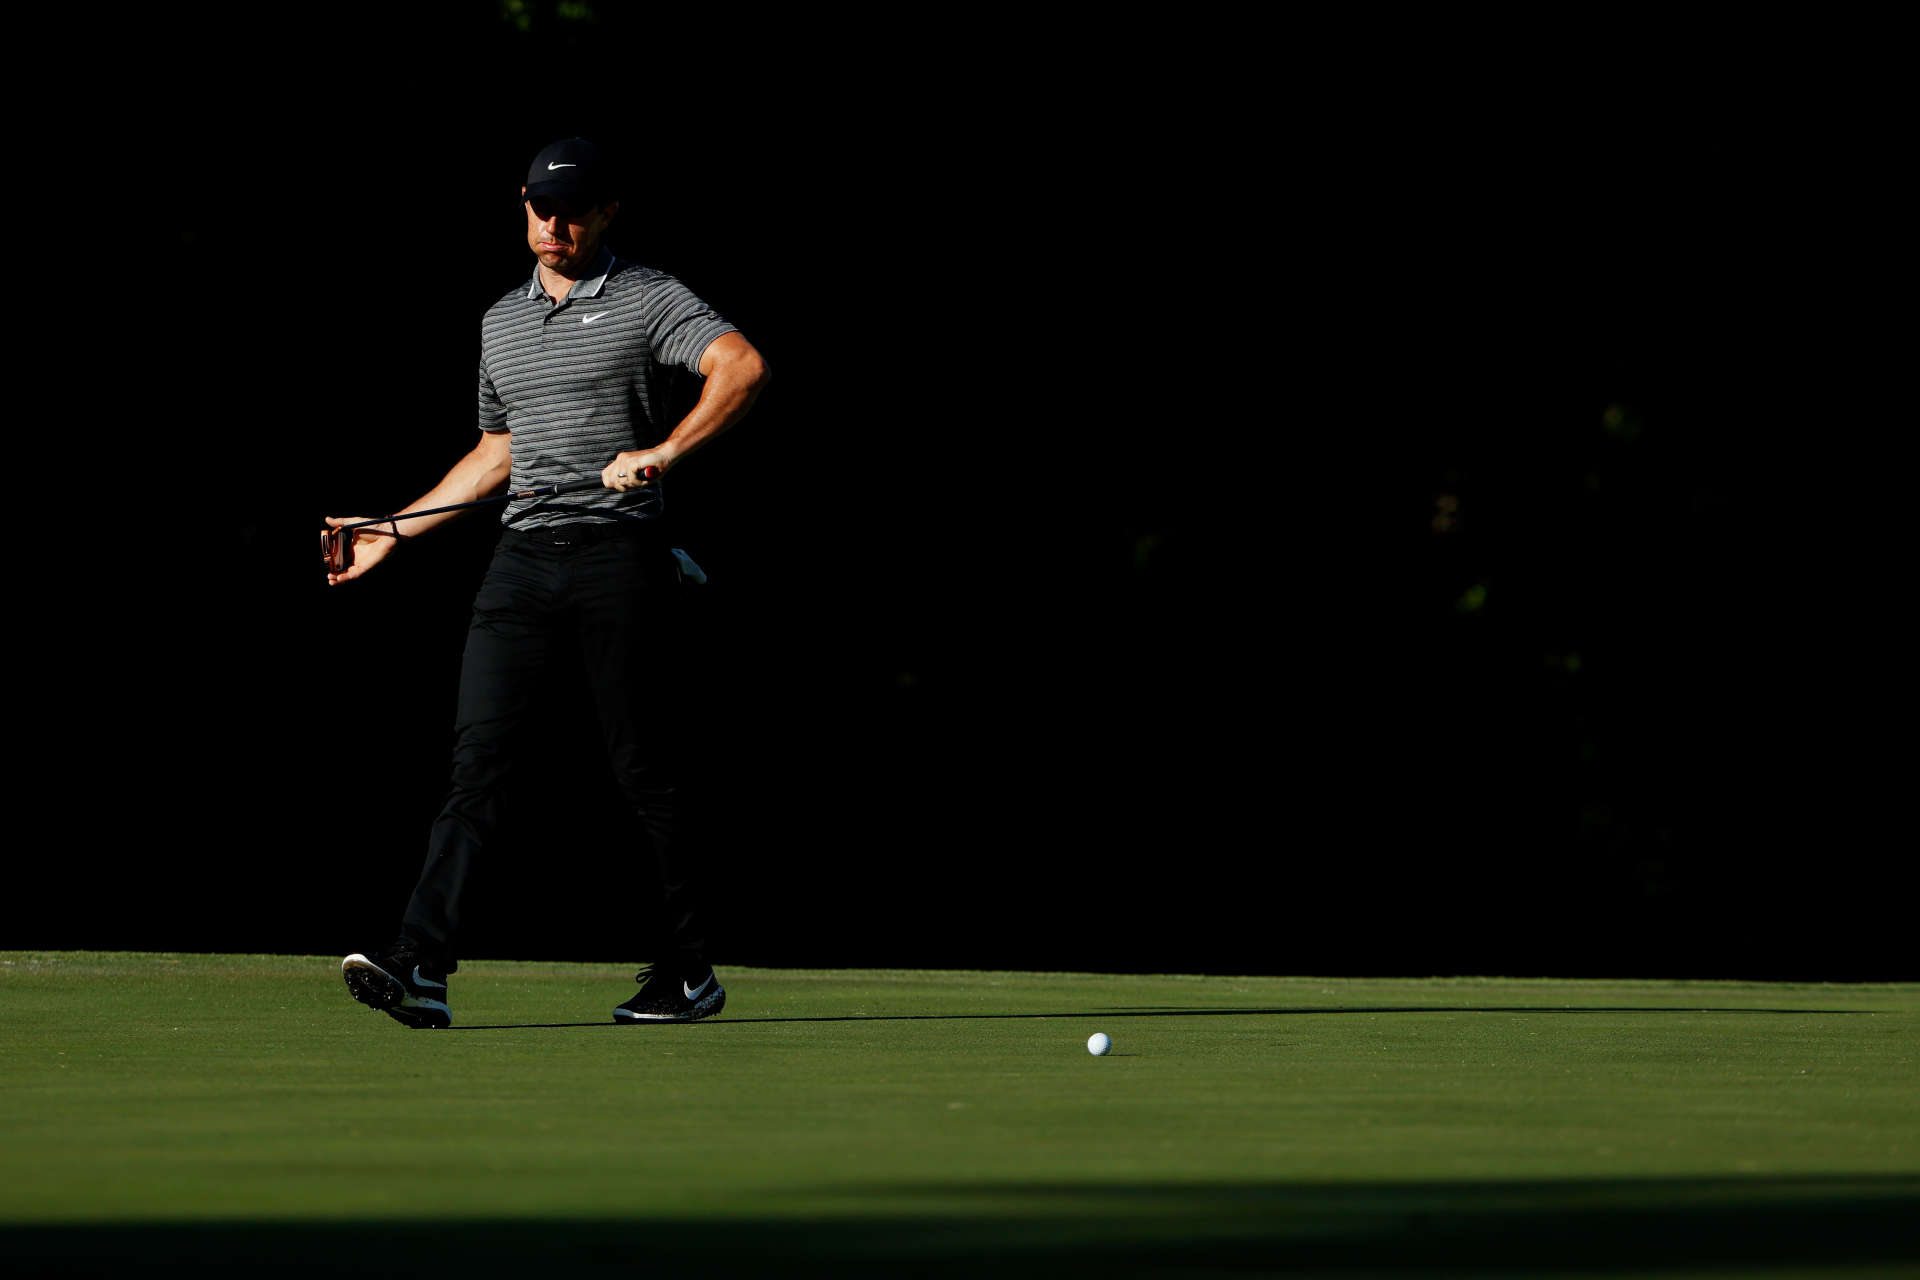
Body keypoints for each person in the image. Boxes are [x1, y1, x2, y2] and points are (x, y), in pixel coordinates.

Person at [323, 137, 769, 1029]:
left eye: (571, 208)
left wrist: (664, 452)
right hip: (521, 562)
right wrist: (393, 528)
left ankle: (688, 973)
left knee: (642, 772)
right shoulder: (500, 320)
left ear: (607, 212)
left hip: (620, 556)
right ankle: (421, 967)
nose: (552, 222)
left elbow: (741, 366)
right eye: (537, 205)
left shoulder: (649, 296)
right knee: (476, 765)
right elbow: (499, 453)